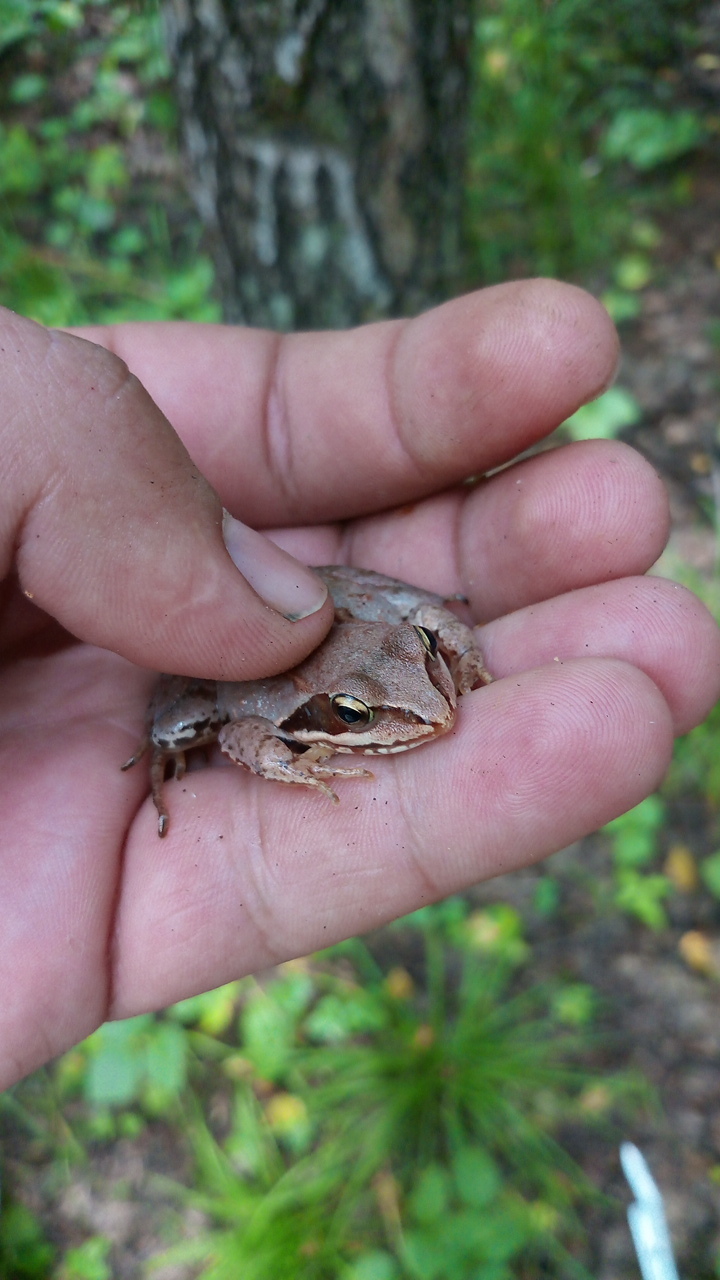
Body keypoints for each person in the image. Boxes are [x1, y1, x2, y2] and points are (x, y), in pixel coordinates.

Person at [2, 279, 718, 1090]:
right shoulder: (287, 719)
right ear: (335, 717)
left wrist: (442, 644)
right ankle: (300, 708)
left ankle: (382, 675)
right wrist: (292, 762)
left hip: (346, 621)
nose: (441, 716)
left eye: (432, 666)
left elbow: (410, 617)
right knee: (176, 727)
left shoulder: (407, 658)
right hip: (242, 677)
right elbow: (241, 733)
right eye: (354, 718)